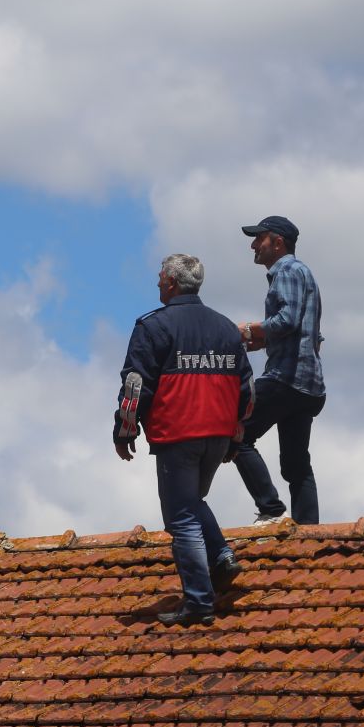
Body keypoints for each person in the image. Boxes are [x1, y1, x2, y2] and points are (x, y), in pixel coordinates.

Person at [115, 253, 254, 626]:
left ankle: (198, 603)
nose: (158, 282)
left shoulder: (153, 326)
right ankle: (221, 557)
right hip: (218, 435)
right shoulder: (227, 328)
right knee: (191, 502)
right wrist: (236, 436)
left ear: (172, 283)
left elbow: (135, 386)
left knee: (182, 518)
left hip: (178, 433)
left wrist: (125, 430)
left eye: (161, 277)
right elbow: (247, 389)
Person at [233, 216, 325, 525]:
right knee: (296, 465)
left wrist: (248, 330)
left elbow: (287, 320)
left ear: (278, 242)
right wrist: (262, 341)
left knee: (235, 431)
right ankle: (308, 533)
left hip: (285, 378)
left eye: (259, 239)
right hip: (308, 385)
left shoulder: (286, 271)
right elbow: (306, 331)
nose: (253, 245)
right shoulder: (302, 273)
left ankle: (271, 509)